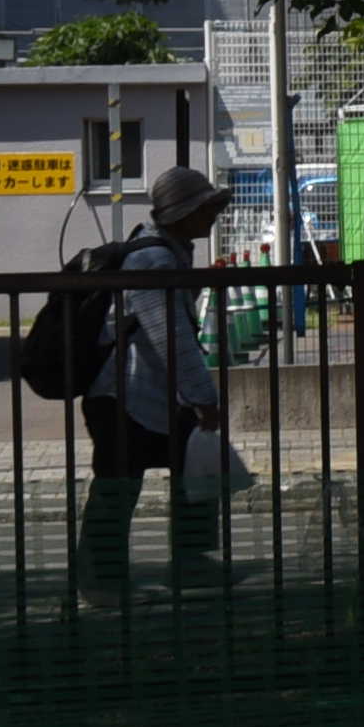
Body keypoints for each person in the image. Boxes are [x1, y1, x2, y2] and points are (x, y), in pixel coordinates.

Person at [68, 166, 238, 589]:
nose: (213, 215)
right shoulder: (153, 259)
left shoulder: (166, 250)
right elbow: (172, 337)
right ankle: (101, 580)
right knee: (118, 488)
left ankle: (189, 563)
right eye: (206, 208)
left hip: (149, 395)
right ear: (185, 213)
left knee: (188, 473)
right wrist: (204, 398)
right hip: (124, 395)